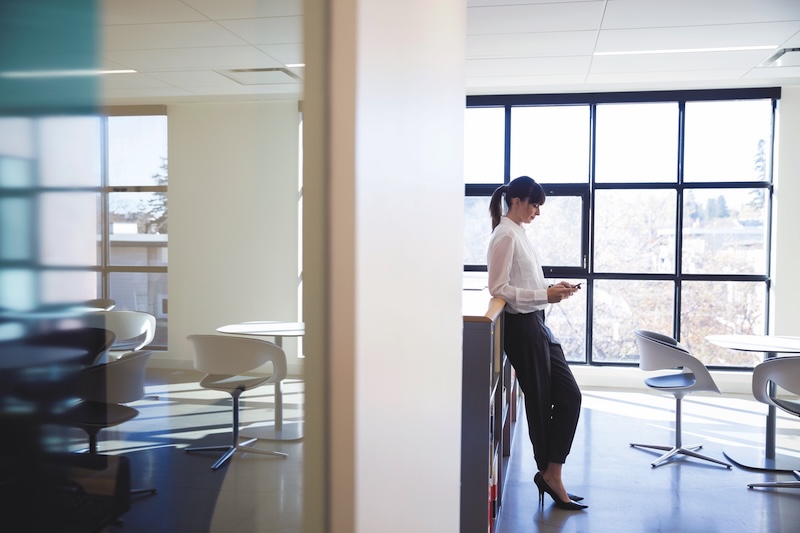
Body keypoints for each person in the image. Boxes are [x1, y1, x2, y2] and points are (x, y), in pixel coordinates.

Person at [486, 175, 586, 511]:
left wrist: (550, 287)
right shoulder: (503, 236)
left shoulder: (518, 234)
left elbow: (523, 280)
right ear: (517, 201)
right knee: (541, 404)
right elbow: (498, 290)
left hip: (536, 323)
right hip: (521, 327)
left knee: (569, 395)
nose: (537, 212)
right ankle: (551, 474)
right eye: (534, 205)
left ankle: (550, 472)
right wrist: (544, 294)